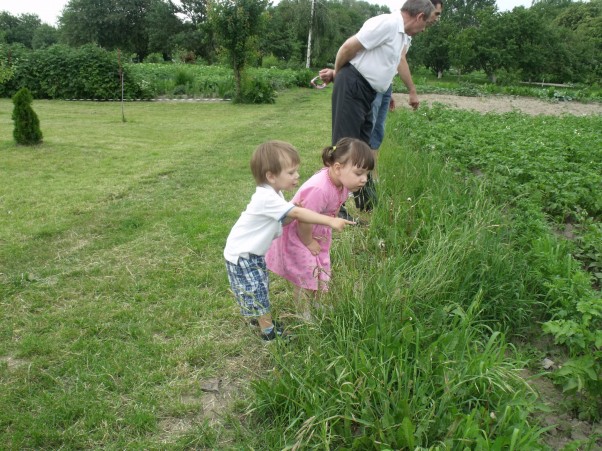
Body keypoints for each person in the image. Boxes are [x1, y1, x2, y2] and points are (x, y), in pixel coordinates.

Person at [224, 141, 354, 340]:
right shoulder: (266, 198)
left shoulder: (275, 194)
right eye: (291, 172)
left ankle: (259, 318)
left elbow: (283, 221)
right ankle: (268, 332)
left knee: (258, 289)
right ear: (271, 176)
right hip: (242, 255)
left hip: (252, 253)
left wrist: (290, 215)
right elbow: (297, 212)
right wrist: (329, 220)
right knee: (257, 291)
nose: (297, 176)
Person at [317, 0, 436, 216]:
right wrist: (338, 75)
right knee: (344, 147)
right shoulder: (387, 23)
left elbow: (387, 64)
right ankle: (334, 207)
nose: (425, 28)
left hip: (369, 91)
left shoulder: (402, 35)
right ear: (419, 16)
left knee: (363, 148)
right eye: (426, 23)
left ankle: (366, 200)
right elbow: (347, 48)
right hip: (353, 84)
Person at [266, 138, 374, 318]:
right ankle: (304, 314)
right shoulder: (319, 189)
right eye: (359, 173)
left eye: (367, 174)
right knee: (306, 276)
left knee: (320, 269)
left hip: (317, 232)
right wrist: (308, 242)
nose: (364, 179)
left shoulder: (344, 183)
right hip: (300, 234)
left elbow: (337, 204)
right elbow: (303, 218)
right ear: (338, 168)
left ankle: (316, 305)